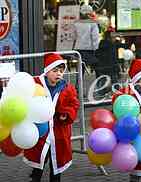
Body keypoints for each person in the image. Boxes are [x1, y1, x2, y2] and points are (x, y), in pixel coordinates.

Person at [23, 53, 80, 182]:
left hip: (59, 131)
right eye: (54, 71)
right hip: (41, 132)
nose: (58, 74)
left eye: (61, 71)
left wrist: (66, 114)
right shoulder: (36, 86)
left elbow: (74, 104)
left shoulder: (67, 88)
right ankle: (35, 177)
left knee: (56, 162)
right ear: (47, 71)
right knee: (40, 159)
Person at [73, 4, 100, 73]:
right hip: (89, 49)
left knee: (80, 69)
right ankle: (99, 82)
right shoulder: (92, 23)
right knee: (97, 66)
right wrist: (96, 49)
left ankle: (78, 83)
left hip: (78, 48)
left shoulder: (76, 23)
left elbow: (74, 36)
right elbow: (95, 37)